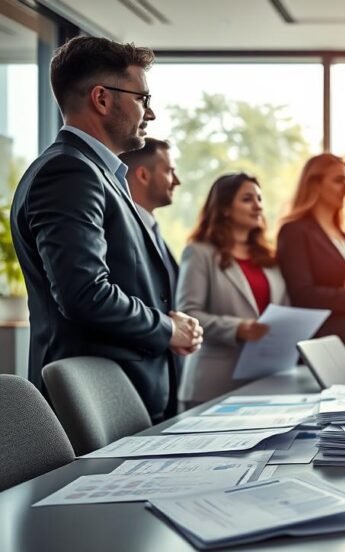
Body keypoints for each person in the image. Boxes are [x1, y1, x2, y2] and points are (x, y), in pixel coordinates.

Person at [9, 36, 201, 420]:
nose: (151, 113)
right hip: (96, 406)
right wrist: (165, 327)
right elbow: (84, 293)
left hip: (120, 399)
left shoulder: (97, 173)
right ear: (102, 99)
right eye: (143, 98)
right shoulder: (69, 172)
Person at [176, 172, 287, 407]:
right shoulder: (199, 253)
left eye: (259, 199)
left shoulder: (269, 258)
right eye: (247, 199)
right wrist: (237, 328)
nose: (258, 206)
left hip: (265, 380)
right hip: (214, 383)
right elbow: (188, 314)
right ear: (225, 208)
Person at [277, 154, 345, 364]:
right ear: (314, 184)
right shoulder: (295, 232)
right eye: (338, 180)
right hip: (324, 346)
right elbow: (302, 295)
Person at [119, 137, 184, 418]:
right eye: (169, 170)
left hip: (164, 388)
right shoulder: (119, 234)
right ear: (143, 174)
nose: (177, 180)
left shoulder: (153, 229)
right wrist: (170, 328)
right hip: (128, 389)